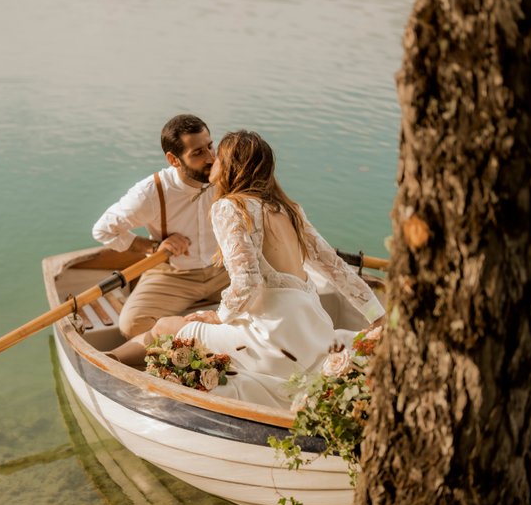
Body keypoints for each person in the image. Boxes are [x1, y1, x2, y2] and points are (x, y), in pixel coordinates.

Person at [149, 130, 385, 409]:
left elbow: (246, 282)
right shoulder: (290, 209)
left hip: (270, 341)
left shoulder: (229, 207)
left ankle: (159, 404)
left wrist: (219, 316)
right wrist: (376, 316)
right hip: (313, 334)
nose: (212, 161)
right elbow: (336, 268)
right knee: (187, 332)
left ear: (232, 167)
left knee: (164, 327)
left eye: (219, 157)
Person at [93, 114, 229, 339]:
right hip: (175, 275)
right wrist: (154, 246)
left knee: (282, 297)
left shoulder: (224, 177)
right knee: (132, 325)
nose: (210, 158)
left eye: (210, 146)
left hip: (224, 269)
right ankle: (205, 330)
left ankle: (201, 329)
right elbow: (103, 230)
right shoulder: (150, 192)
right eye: (198, 153)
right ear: (173, 160)